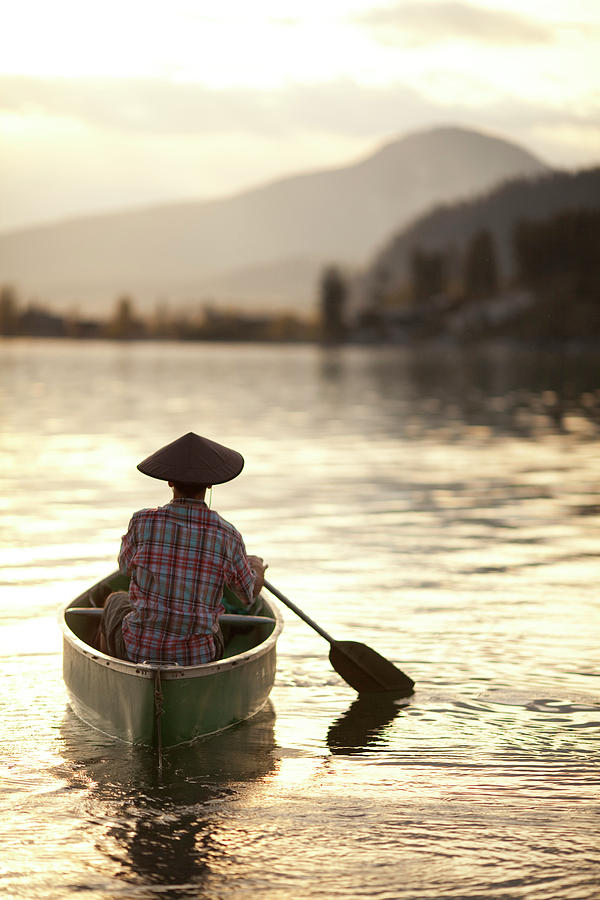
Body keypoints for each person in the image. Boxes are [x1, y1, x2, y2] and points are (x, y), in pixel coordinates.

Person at [98, 432, 267, 665]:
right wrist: (256, 569)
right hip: (198, 657)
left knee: (115, 600)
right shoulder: (228, 535)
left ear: (169, 481)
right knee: (214, 624)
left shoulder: (141, 521)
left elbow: (125, 567)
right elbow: (247, 595)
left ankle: (118, 676)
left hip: (137, 650)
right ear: (209, 484)